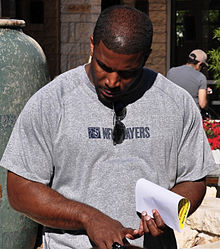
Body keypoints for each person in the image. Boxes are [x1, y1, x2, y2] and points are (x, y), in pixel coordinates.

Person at [0, 5, 218, 249]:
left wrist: (168, 212)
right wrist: (88, 217)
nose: (112, 81)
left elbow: (195, 180)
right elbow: (20, 191)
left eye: (127, 73)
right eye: (104, 66)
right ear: (92, 45)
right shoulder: (51, 102)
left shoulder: (177, 104)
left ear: (145, 57)